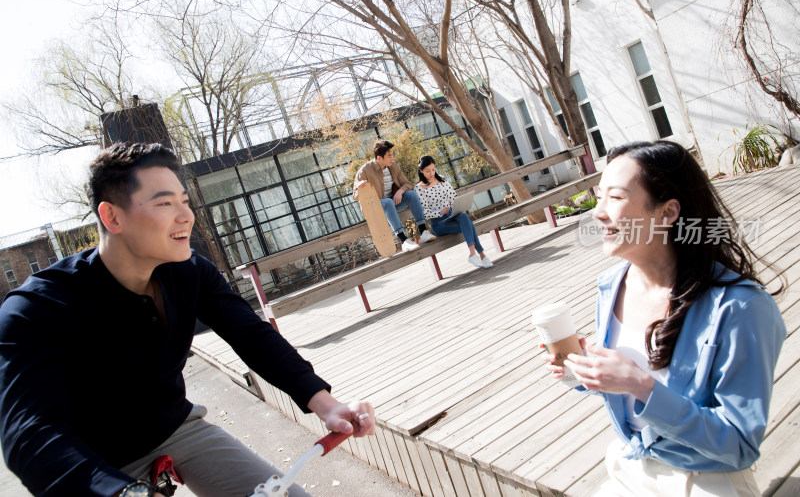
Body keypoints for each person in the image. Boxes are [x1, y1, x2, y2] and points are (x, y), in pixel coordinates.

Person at [0, 143, 375, 497]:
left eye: (185, 201)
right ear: (112, 216)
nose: (186, 216)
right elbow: (30, 435)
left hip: (175, 426)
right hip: (94, 464)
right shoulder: (36, 309)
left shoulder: (189, 271)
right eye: (165, 203)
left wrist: (326, 404)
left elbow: (252, 336)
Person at [544, 140, 786, 496]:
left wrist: (640, 385)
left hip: (703, 481)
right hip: (631, 466)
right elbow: (633, 398)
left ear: (668, 213)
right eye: (598, 196)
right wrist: (586, 372)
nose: (597, 212)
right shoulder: (612, 285)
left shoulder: (740, 308)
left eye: (616, 197)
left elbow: (738, 446)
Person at [353, 140, 436, 252]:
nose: (392, 158)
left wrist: (400, 191)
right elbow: (355, 196)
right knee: (387, 202)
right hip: (375, 207)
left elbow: (407, 184)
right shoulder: (365, 170)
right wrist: (359, 187)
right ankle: (404, 241)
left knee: (411, 194)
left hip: (392, 204)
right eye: (389, 156)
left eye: (392, 155)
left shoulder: (394, 166)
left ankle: (423, 232)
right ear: (379, 158)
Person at [415, 155, 492, 268]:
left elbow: (453, 198)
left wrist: (457, 206)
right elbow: (424, 212)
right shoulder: (419, 188)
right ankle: (482, 255)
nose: (431, 173)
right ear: (421, 171)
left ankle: (473, 254)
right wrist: (439, 213)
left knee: (464, 217)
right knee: (468, 224)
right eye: (427, 171)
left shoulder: (442, 179)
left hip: (452, 215)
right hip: (438, 224)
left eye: (433, 169)